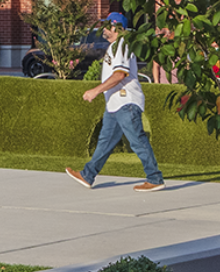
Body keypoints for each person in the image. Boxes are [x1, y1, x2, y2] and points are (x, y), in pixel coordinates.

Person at [69, 12, 164, 192]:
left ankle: (155, 178)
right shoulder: (115, 46)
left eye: (106, 25)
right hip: (115, 103)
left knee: (137, 140)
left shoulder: (122, 45)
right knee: (105, 141)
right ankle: (88, 175)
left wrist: (95, 91)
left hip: (125, 101)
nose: (103, 29)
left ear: (116, 27)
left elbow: (120, 74)